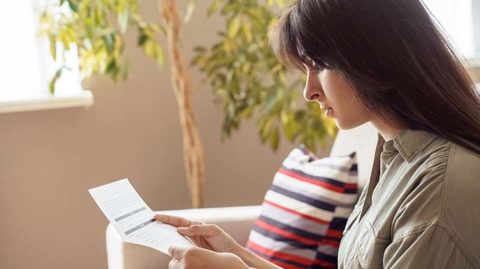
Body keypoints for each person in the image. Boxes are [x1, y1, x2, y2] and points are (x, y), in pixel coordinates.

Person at [156, 0, 480, 268]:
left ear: (375, 58)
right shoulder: (394, 156)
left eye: (320, 64)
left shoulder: (439, 192)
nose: (309, 91)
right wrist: (238, 254)